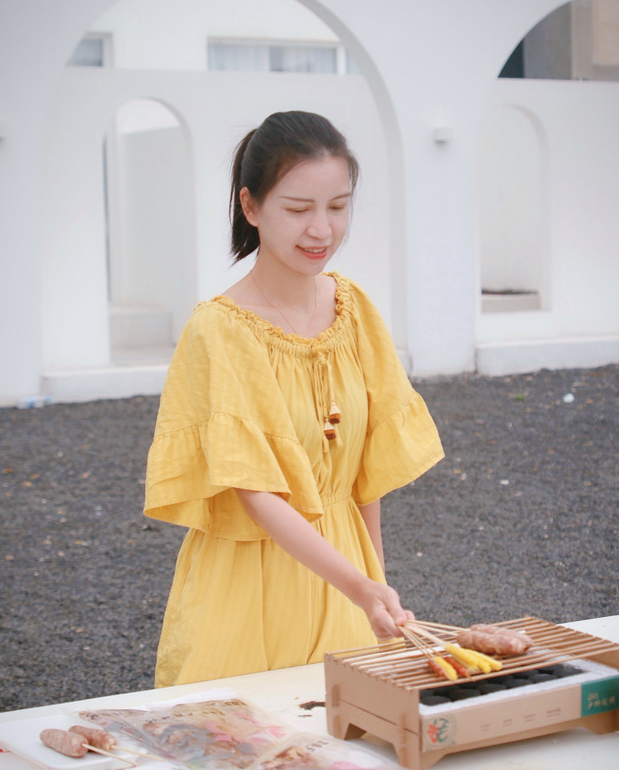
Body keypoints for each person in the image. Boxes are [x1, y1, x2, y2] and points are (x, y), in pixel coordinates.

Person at [144, 110, 444, 687]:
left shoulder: (352, 307)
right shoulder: (220, 329)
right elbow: (256, 493)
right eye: (299, 209)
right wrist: (358, 584)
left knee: (355, 757)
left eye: (338, 206)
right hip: (249, 584)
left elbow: (367, 469)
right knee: (242, 753)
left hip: (346, 578)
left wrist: (372, 580)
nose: (322, 230)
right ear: (251, 207)